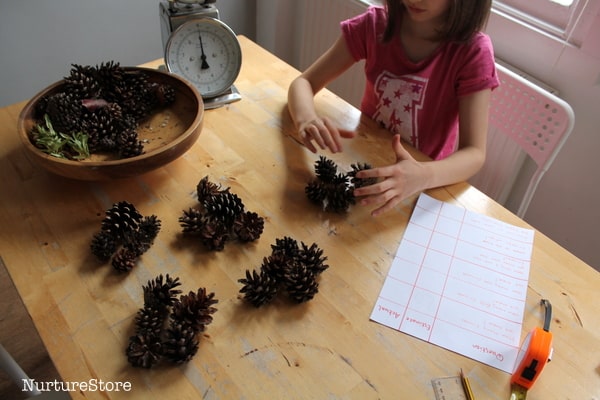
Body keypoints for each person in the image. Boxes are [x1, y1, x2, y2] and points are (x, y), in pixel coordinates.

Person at [287, 0, 500, 216]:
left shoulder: (473, 52)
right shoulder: (374, 25)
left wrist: (424, 175)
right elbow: (303, 83)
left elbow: (474, 153)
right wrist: (306, 118)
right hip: (362, 170)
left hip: (419, 187)